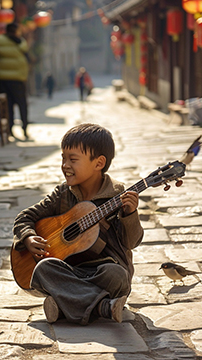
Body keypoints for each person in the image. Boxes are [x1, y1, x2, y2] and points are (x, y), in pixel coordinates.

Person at [13, 123, 144, 325]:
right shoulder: (62, 194)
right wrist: (28, 237)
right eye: (63, 158)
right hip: (68, 270)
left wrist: (130, 214)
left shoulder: (117, 195)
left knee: (117, 275)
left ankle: (66, 301)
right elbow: (25, 217)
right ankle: (103, 307)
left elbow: (131, 242)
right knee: (44, 268)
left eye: (73, 159)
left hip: (103, 270)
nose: (65, 165)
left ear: (99, 163)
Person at [0, 23, 29, 140]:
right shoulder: (21, 41)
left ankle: (9, 129)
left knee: (8, 105)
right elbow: (25, 51)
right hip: (19, 79)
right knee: (22, 105)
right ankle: (24, 128)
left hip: (3, 78)